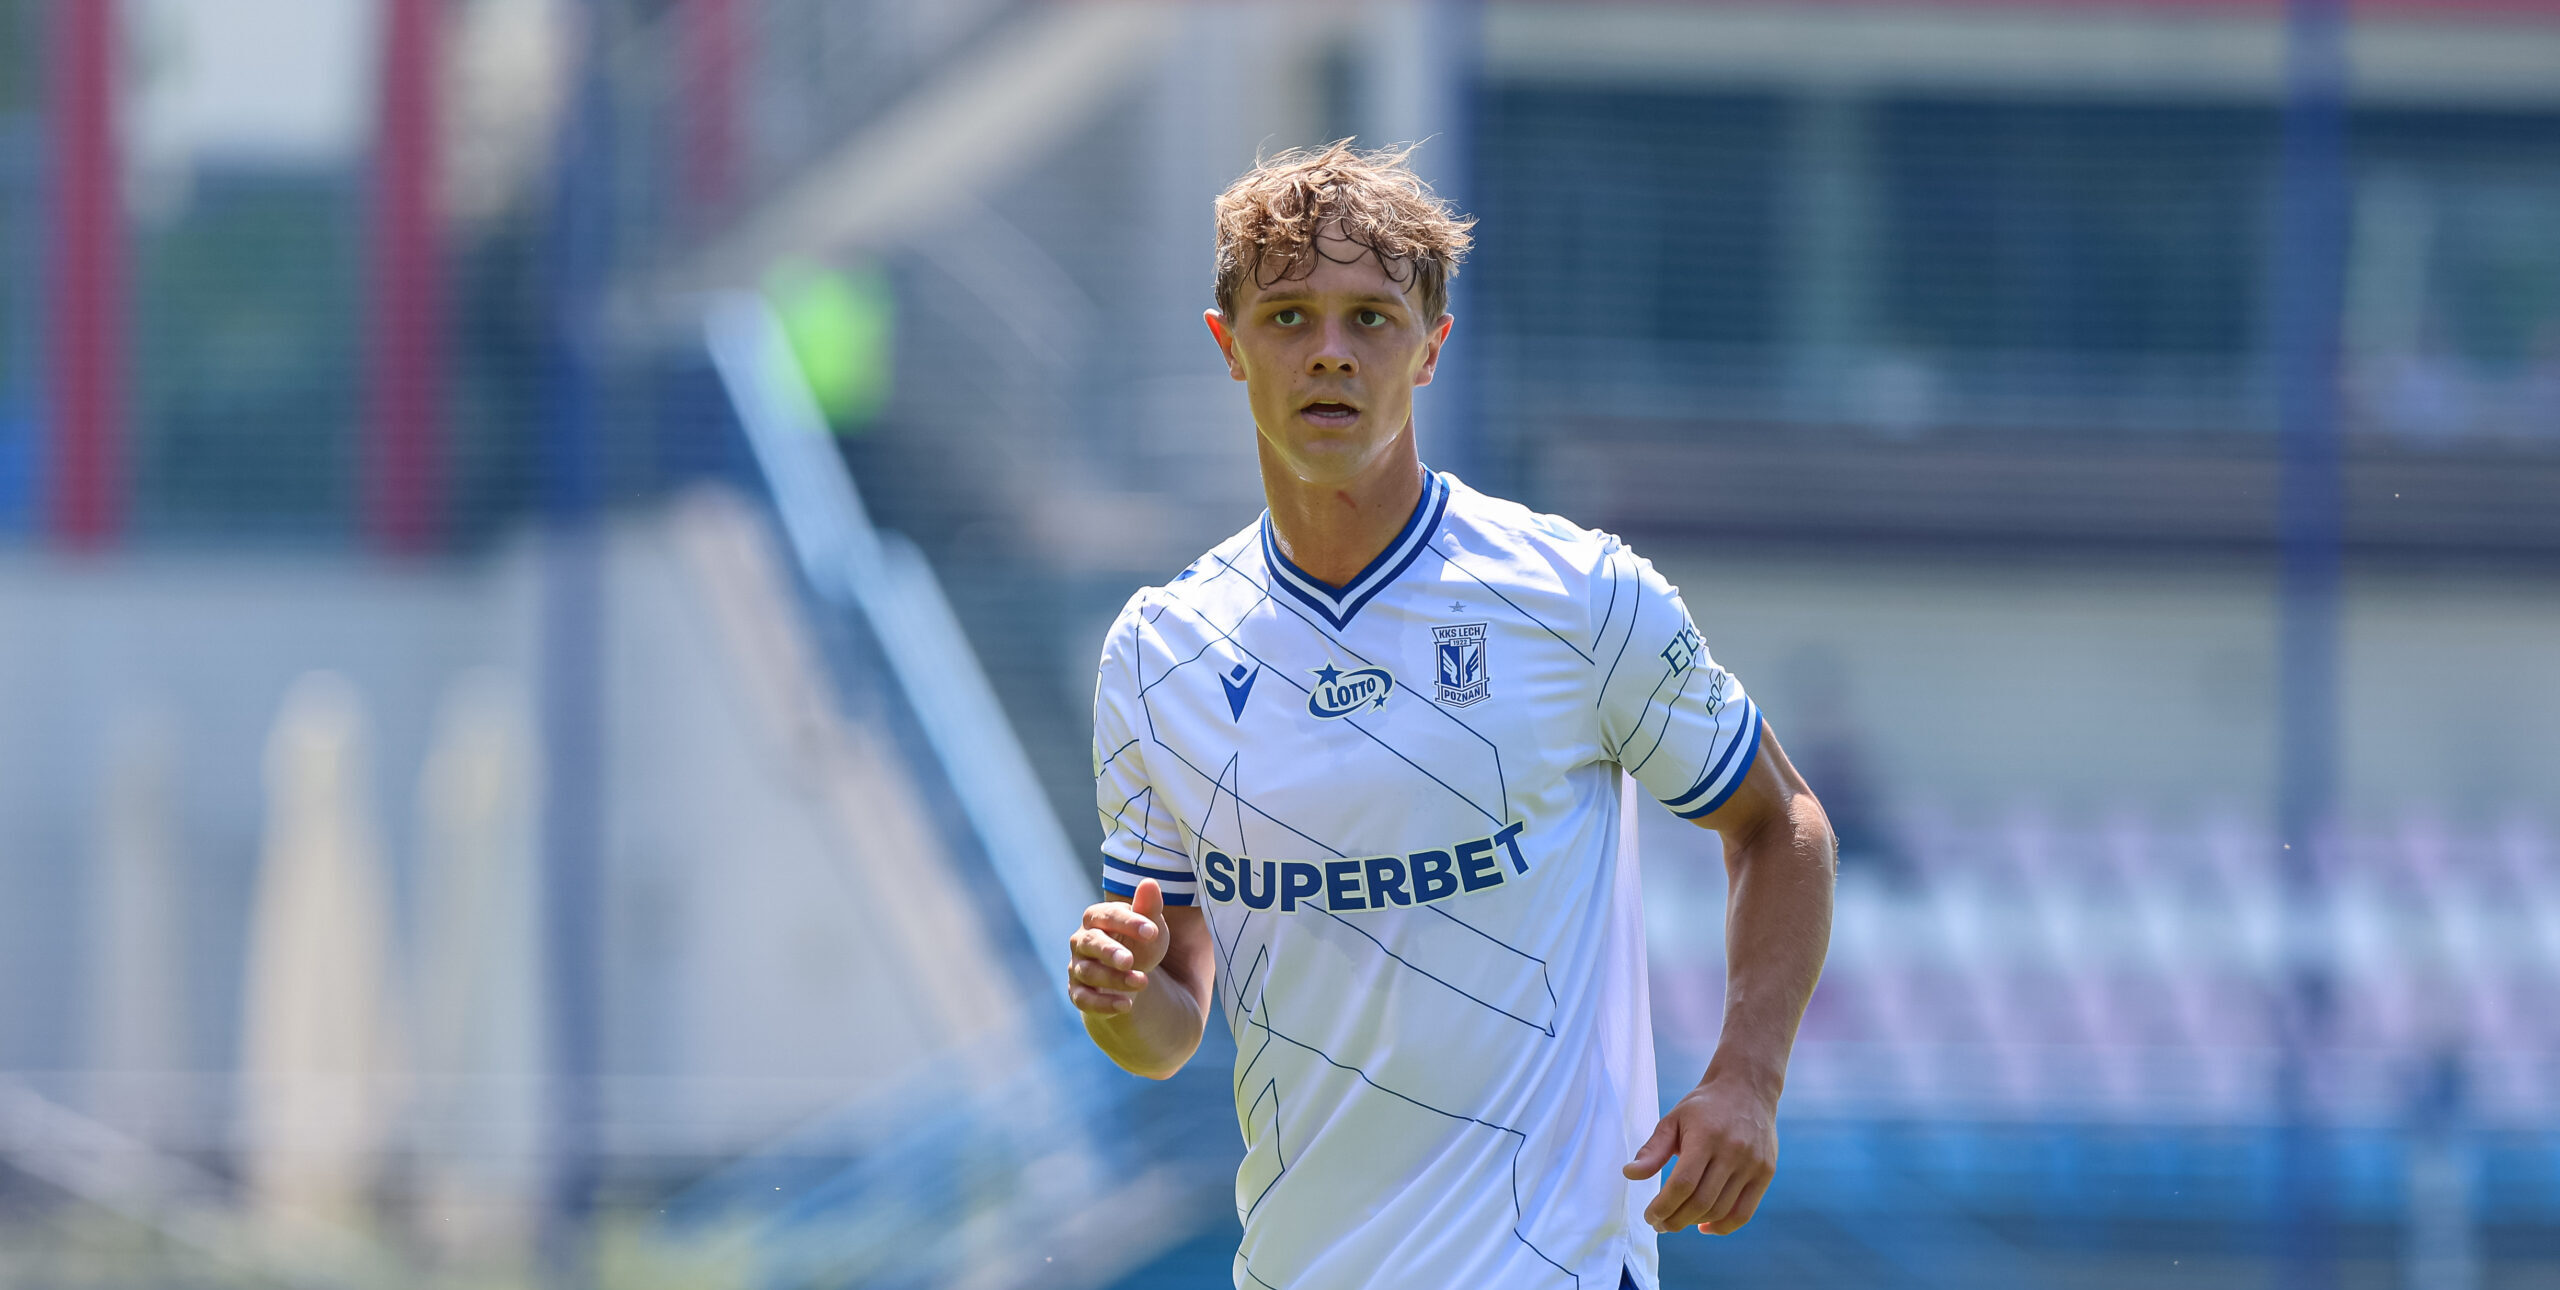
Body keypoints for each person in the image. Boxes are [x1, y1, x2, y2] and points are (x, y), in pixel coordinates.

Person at [1067, 142, 1835, 1290]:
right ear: (1229, 348)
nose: (1329, 351)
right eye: (1287, 316)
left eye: (1370, 319)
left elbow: (1782, 825)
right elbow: (1172, 1026)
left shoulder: (1576, 596)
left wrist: (1747, 1076)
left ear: (1431, 347)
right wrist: (1120, 999)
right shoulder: (1157, 652)